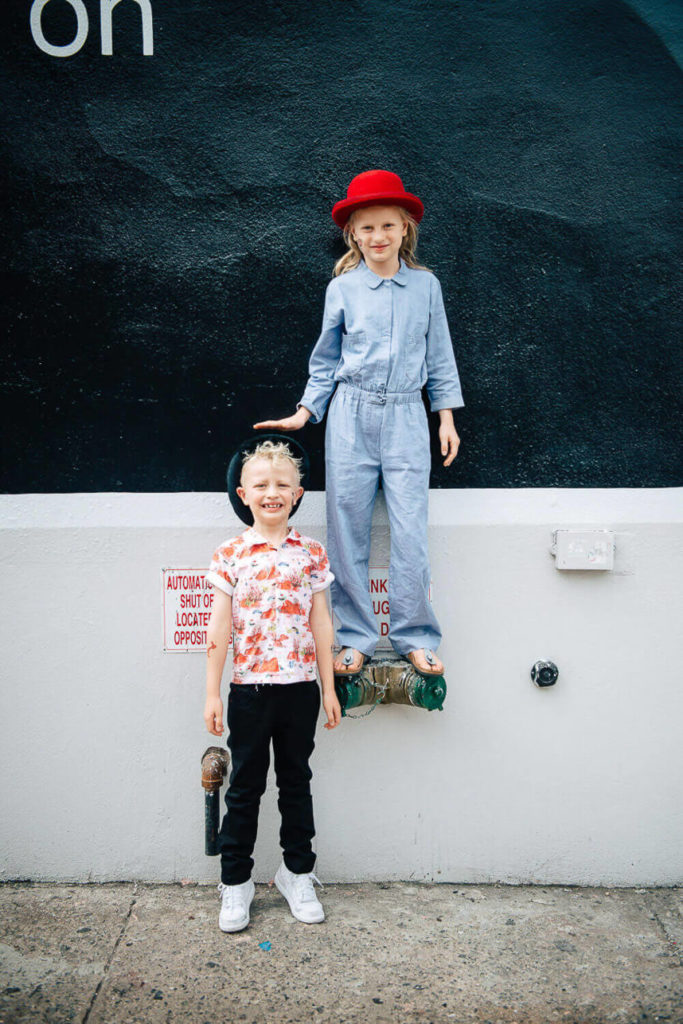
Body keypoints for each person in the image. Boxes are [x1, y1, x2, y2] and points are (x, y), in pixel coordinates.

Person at [255, 169, 464, 678]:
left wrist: (446, 418)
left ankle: (415, 635)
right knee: (346, 529)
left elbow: (440, 355)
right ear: (353, 234)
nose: (378, 237)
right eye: (367, 228)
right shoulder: (343, 288)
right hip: (350, 415)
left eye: (388, 226)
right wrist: (306, 412)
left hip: (407, 415)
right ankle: (355, 637)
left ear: (405, 229)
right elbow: (325, 360)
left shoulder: (426, 287)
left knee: (410, 531)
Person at [204, 439, 341, 933]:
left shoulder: (310, 553)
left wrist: (328, 688)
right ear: (244, 493)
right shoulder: (231, 554)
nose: (272, 492)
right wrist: (212, 692)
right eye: (261, 485)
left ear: (298, 492)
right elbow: (218, 629)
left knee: (296, 784)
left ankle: (296, 873)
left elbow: (322, 623)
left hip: (301, 688)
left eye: (282, 484)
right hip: (249, 693)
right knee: (244, 788)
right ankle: (235, 882)